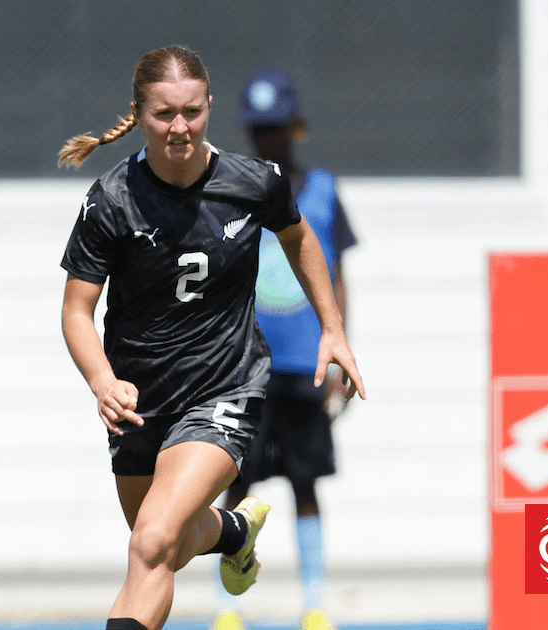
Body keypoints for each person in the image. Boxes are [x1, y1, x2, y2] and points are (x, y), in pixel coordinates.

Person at [58, 46, 366, 630]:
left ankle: (304, 590)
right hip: (138, 399)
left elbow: (300, 239)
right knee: (166, 546)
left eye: (192, 113)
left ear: (209, 109)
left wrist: (333, 329)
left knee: (150, 545)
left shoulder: (253, 184)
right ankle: (236, 530)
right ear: (138, 114)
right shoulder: (110, 200)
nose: (179, 127)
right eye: (164, 114)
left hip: (224, 389)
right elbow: (77, 311)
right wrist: (102, 379)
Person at [212, 68, 358, 630]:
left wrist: (339, 343)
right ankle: (228, 608)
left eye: (275, 129)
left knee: (306, 481)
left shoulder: (323, 189)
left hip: (305, 363)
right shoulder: (230, 190)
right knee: (233, 481)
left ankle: (315, 604)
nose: (266, 140)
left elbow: (338, 272)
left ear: (297, 128)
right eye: (258, 130)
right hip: (243, 366)